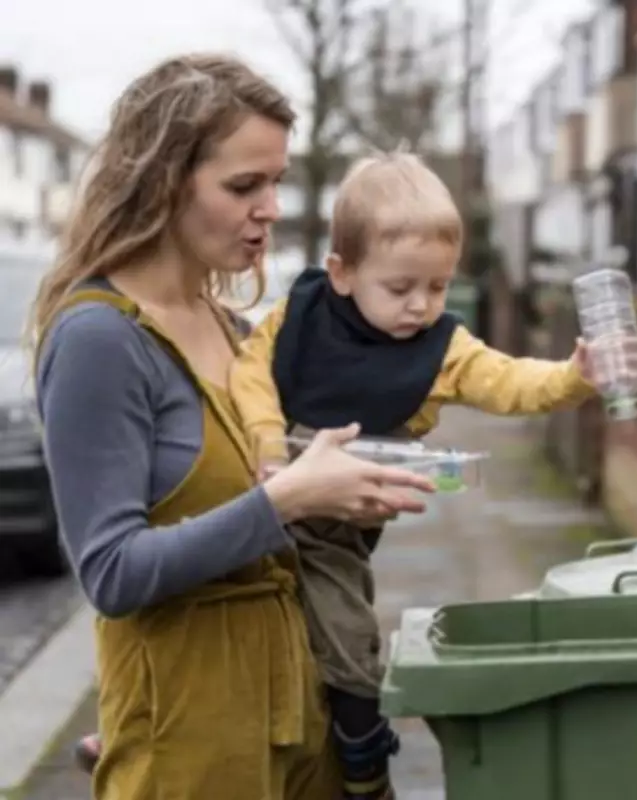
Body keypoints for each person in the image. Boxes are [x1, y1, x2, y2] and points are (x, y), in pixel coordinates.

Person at [31, 54, 435, 800]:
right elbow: (111, 573)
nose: (272, 207)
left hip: (300, 721)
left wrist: (347, 491)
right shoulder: (100, 340)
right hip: (190, 744)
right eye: (245, 185)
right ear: (161, 183)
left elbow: (281, 517)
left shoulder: (237, 327)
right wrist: (286, 502)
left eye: (277, 181)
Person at [227, 152, 600, 799]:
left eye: (437, 286)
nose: (420, 307)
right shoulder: (300, 313)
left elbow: (510, 380)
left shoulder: (443, 348)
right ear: (341, 273)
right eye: (400, 289)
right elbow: (248, 372)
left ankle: (364, 758)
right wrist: (268, 442)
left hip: (332, 534)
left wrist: (573, 378)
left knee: (348, 640)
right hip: (258, 491)